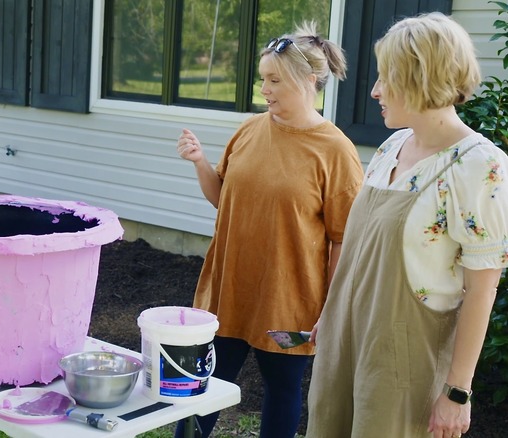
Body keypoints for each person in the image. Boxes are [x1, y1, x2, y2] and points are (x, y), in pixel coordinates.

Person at [306, 12, 508, 438]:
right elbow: (362, 247)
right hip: (345, 342)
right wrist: (331, 312)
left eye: (386, 79)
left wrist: (457, 392)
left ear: (421, 78)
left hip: (402, 365)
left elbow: (482, 288)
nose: (376, 91)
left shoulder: (479, 166)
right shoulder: (393, 144)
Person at [175, 22, 364, 438]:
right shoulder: (249, 129)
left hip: (289, 300)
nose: (265, 89)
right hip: (229, 291)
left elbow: (342, 238)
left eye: (275, 80)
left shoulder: (335, 151)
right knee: (201, 384)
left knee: (282, 389)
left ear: (309, 80)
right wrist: (200, 162)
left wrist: (329, 307)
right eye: (264, 79)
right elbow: (226, 200)